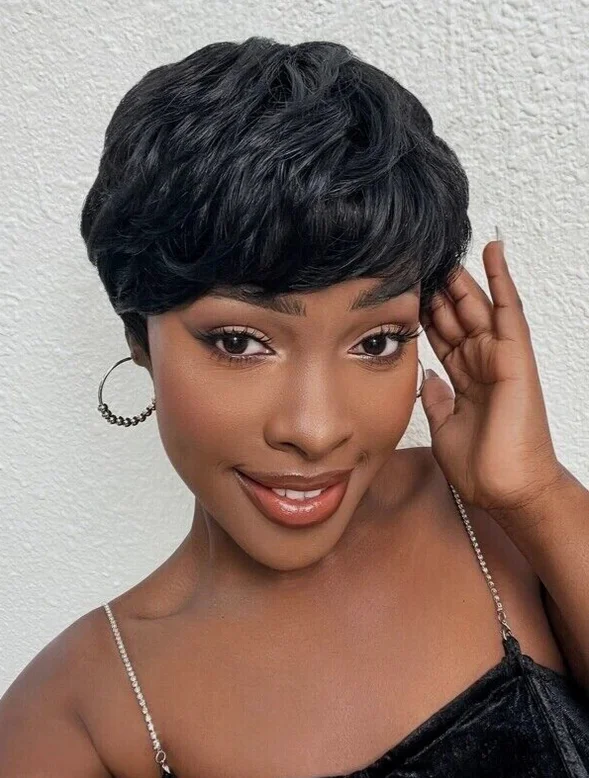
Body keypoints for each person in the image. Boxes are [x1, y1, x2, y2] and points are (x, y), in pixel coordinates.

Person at [1, 35, 589, 778]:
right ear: (139, 338)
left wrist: (536, 492)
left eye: (376, 342)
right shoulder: (76, 714)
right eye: (240, 342)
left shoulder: (494, 520)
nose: (315, 430)